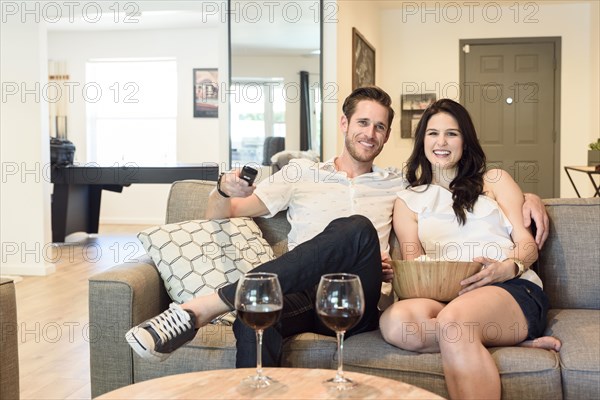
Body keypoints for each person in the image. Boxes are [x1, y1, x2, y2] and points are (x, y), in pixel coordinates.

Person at [125, 87, 550, 366]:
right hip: (299, 292)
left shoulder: (403, 186)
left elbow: (458, 191)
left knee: (357, 228)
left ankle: (203, 307)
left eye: (380, 127)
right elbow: (221, 216)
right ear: (344, 124)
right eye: (363, 123)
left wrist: (529, 201)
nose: (371, 133)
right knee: (255, 311)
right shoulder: (298, 174)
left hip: (358, 298)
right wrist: (222, 188)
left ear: (387, 138)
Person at [378, 99, 561, 400]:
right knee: (396, 323)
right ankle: (497, 338)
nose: (441, 142)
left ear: (466, 140)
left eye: (452, 133)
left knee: (454, 322)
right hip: (450, 295)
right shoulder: (408, 200)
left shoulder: (495, 181)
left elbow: (528, 245)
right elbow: (416, 270)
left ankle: (480, 330)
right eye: (433, 133)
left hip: (510, 288)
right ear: (422, 140)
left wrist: (508, 267)